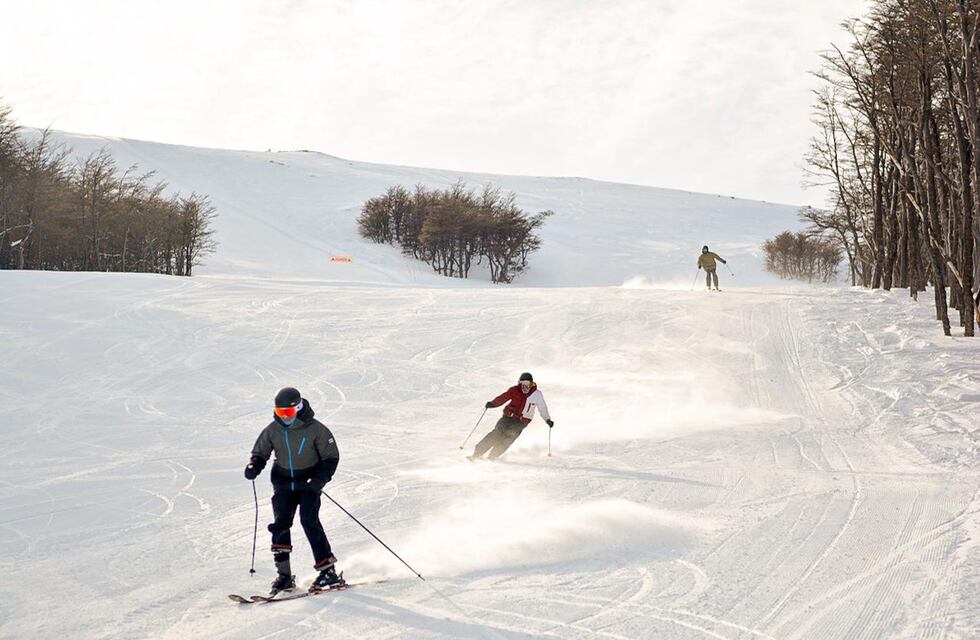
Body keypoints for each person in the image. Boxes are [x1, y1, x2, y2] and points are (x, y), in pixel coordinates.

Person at [244, 387, 343, 593]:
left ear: (298, 408)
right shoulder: (273, 430)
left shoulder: (316, 429)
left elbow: (331, 457)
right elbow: (260, 451)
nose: (284, 418)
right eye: (280, 413)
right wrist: (255, 464)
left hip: (308, 483)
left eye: (288, 413)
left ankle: (328, 571)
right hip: (283, 483)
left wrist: (320, 479)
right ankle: (284, 576)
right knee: (281, 525)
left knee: (309, 520)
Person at [469, 372, 554, 460]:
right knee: (496, 433)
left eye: (528, 384)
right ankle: (477, 453)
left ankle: (493, 456)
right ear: (519, 383)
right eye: (523, 384)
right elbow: (503, 397)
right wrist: (493, 404)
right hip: (508, 417)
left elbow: (542, 407)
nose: (525, 387)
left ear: (532, 384)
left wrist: (547, 419)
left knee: (509, 437)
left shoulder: (537, 394)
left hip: (521, 422)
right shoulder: (514, 390)